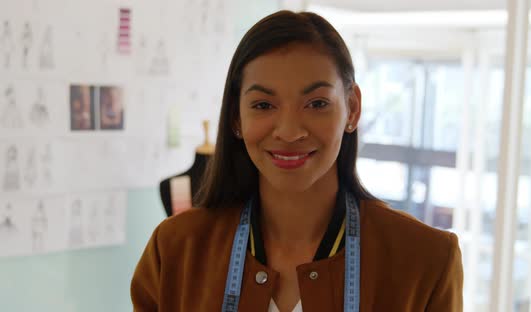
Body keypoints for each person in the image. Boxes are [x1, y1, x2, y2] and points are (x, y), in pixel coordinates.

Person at [131, 10, 463, 312]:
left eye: (317, 103)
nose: (289, 132)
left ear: (352, 109)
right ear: (236, 117)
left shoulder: (426, 261)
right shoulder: (175, 252)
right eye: (263, 105)